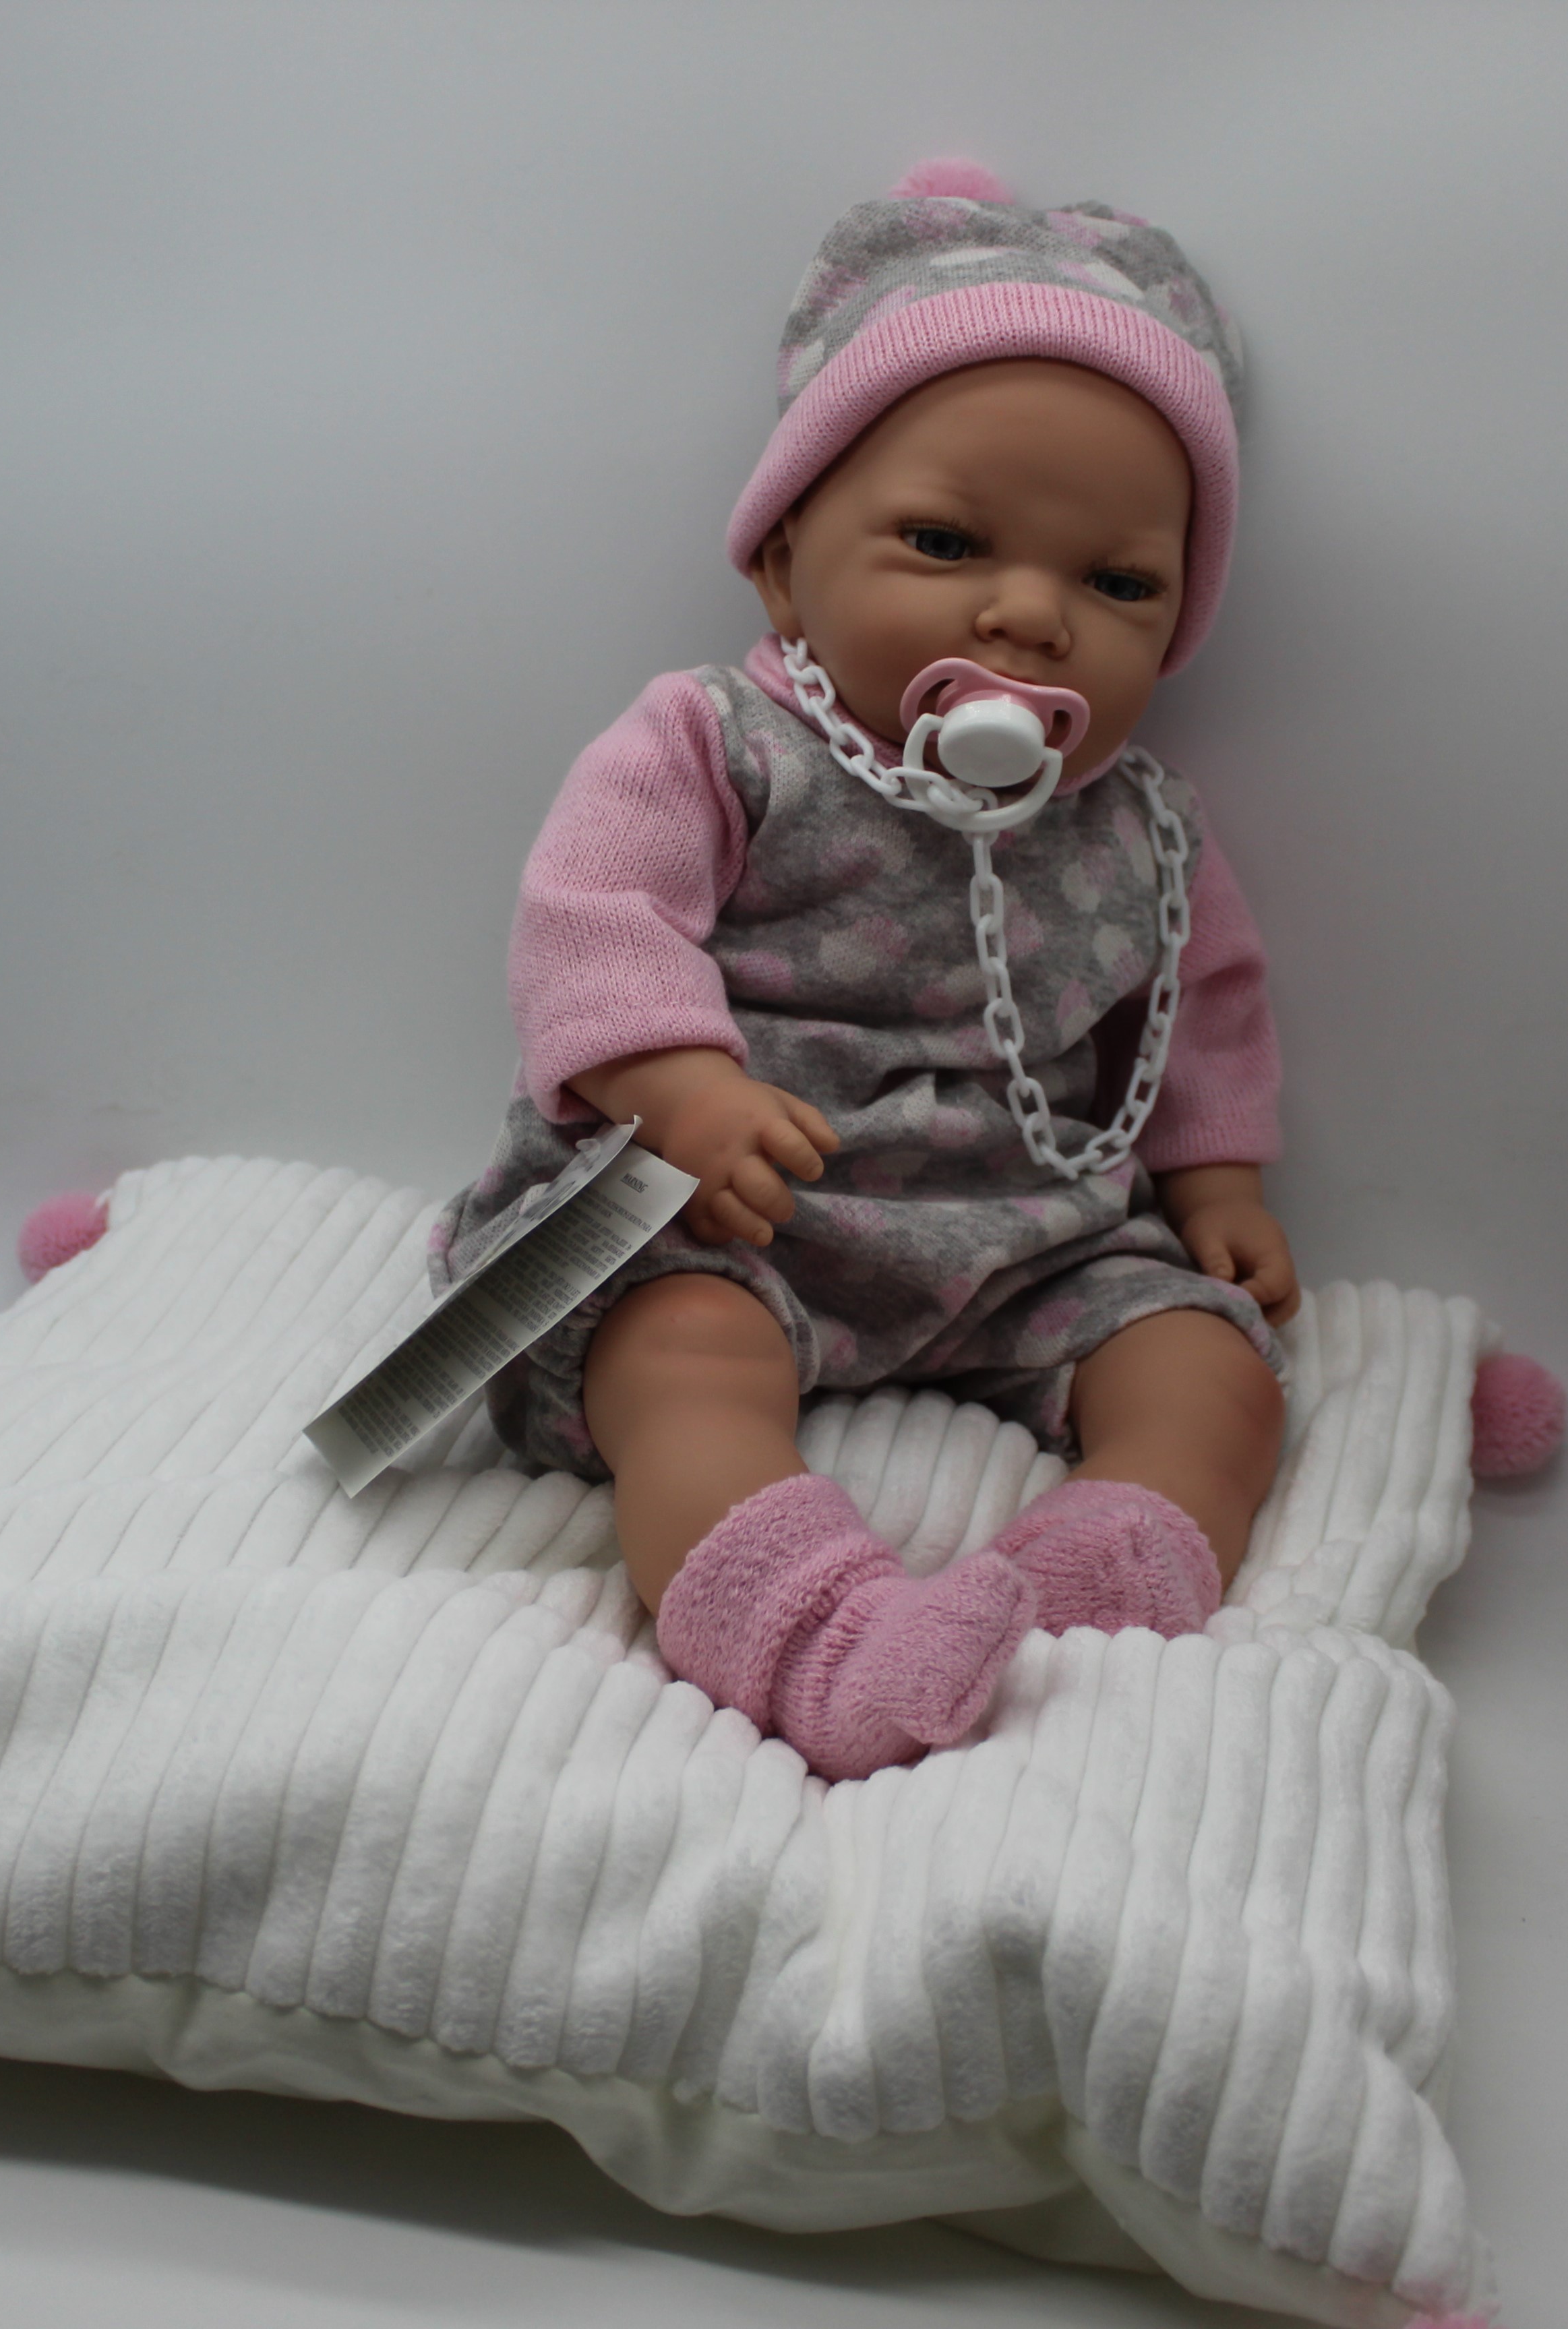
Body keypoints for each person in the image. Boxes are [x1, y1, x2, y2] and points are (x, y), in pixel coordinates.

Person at [433, 163, 1296, 1781]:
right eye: (947, 541)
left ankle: (1091, 1588)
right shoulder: (718, 743)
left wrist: (1219, 1178)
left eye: (1119, 583)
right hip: (740, 1220)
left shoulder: (1141, 823)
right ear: (781, 563)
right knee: (674, 1363)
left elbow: (1205, 999)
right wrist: (674, 1081)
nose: (1030, 615)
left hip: (1026, 1234)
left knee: (1214, 1373)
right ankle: (814, 1635)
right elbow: (593, 909)